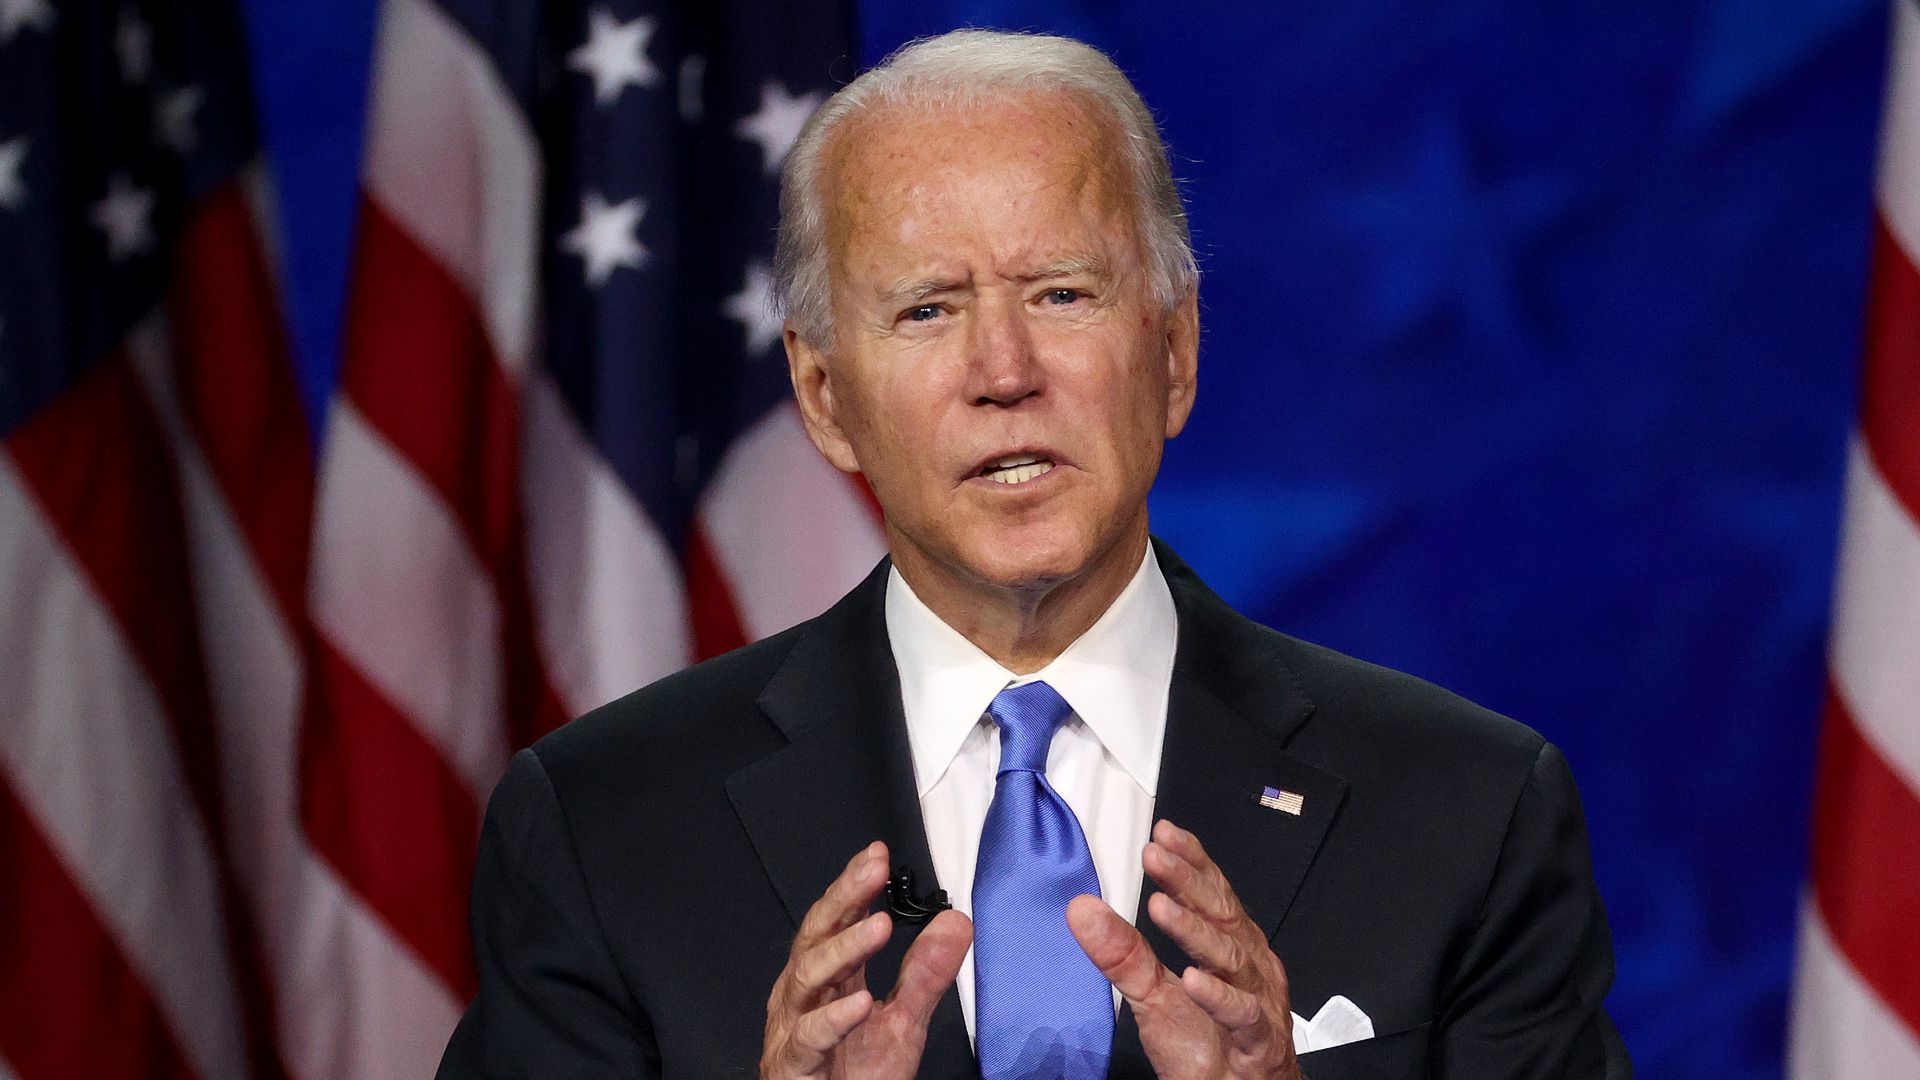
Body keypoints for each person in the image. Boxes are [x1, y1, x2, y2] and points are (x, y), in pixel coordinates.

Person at [437, 28, 1630, 1080]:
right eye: (927, 310)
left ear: (1172, 353)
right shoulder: (603, 830)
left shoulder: (1466, 816)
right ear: (823, 397)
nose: (1004, 372)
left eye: (1062, 293)